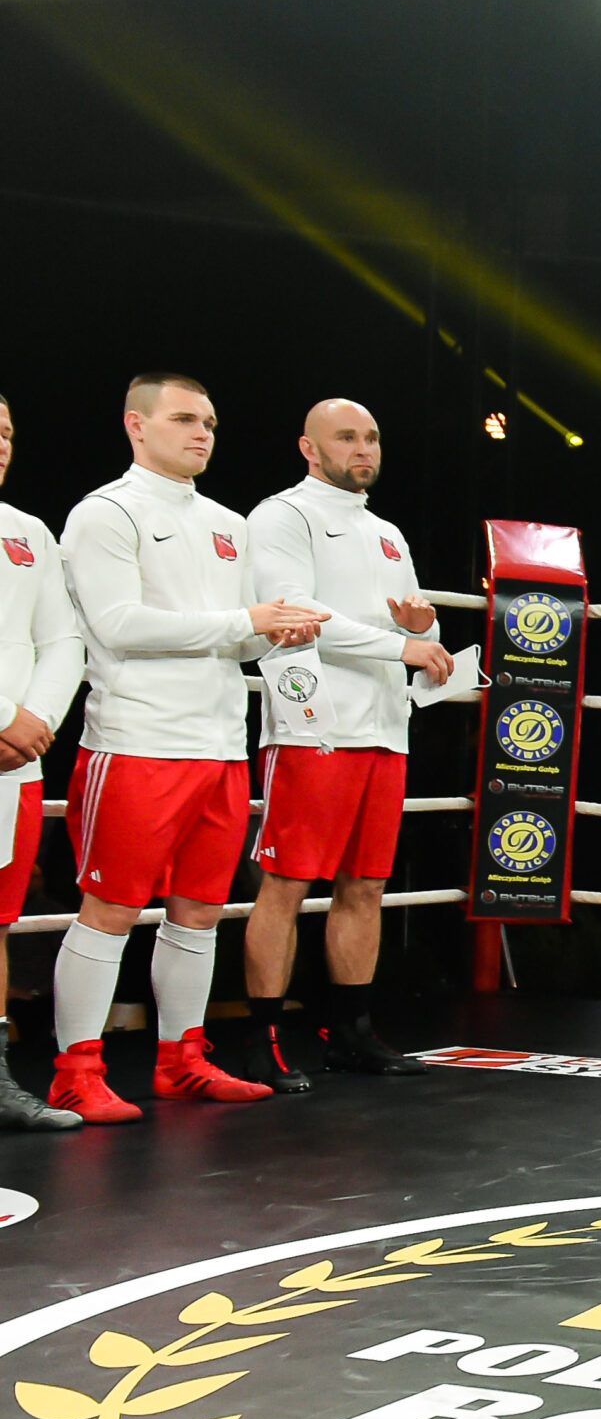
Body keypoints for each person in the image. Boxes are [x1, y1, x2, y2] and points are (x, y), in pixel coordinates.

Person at [49, 374, 327, 1121]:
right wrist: (246, 621)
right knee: (110, 908)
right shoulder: (105, 512)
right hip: (137, 740)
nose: (201, 433)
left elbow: (238, 635)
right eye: (183, 419)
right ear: (136, 424)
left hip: (220, 745)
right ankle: (75, 1072)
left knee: (200, 912)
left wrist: (275, 630)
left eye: (208, 422)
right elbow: (117, 625)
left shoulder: (227, 522)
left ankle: (183, 1060)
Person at [240, 398, 450, 1093]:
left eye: (372, 437)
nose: (364, 449)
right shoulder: (282, 515)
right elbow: (295, 614)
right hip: (314, 726)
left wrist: (419, 631)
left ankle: (350, 1032)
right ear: (309, 447)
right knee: (287, 884)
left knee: (366, 885)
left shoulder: (387, 532)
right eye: (347, 437)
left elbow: (415, 630)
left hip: (385, 728)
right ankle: (262, 1039)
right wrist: (403, 645)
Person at [0, 392, 84, 1132]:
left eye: (5, 433)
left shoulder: (27, 531)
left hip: (12, 764)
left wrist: (35, 720)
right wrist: (5, 719)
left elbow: (62, 640)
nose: (0, 444)